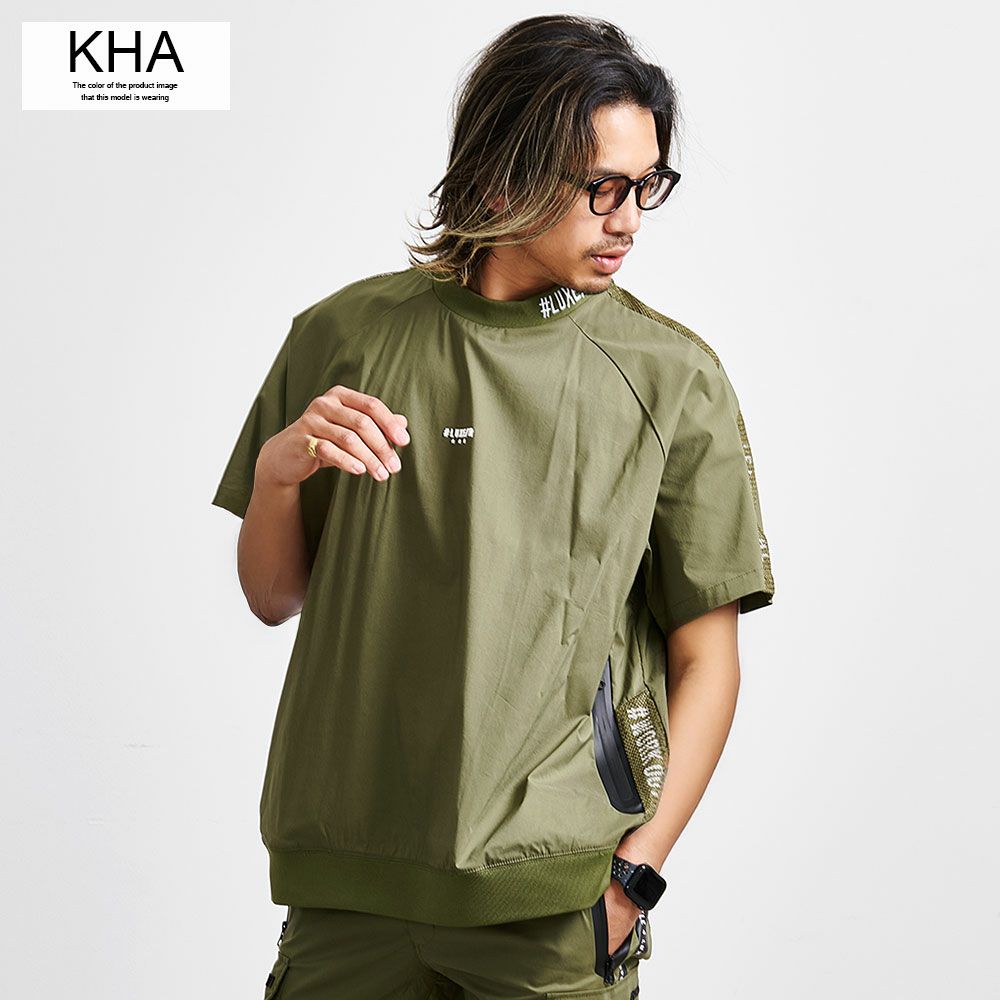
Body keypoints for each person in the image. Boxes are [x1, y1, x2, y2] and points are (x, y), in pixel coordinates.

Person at [211, 15, 776, 1000]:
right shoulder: (342, 335)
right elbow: (274, 596)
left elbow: (707, 659)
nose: (628, 220)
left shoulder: (669, 377)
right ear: (503, 173)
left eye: (645, 185)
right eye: (600, 187)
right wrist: (275, 476)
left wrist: (634, 878)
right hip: (345, 886)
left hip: (551, 902)